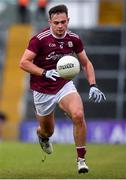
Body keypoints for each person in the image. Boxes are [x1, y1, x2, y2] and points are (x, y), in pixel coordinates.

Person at [19, 4, 106, 173]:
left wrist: (93, 85)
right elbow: (23, 63)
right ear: (50, 22)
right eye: (56, 22)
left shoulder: (74, 39)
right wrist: (44, 72)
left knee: (78, 114)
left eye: (63, 22)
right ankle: (42, 136)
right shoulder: (39, 39)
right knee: (47, 130)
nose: (60, 26)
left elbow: (86, 63)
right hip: (42, 89)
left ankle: (81, 160)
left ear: (68, 21)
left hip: (63, 84)